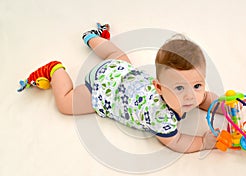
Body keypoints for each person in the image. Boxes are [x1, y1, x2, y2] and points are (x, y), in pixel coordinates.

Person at [18, 22, 219, 153]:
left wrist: (225, 106)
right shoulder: (161, 117)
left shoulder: (194, 95)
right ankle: (55, 70)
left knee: (117, 56)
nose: (191, 96)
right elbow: (176, 142)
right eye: (179, 88)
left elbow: (206, 98)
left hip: (121, 70)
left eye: (197, 84)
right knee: (65, 104)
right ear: (158, 87)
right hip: (103, 89)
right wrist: (203, 142)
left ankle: (92, 37)